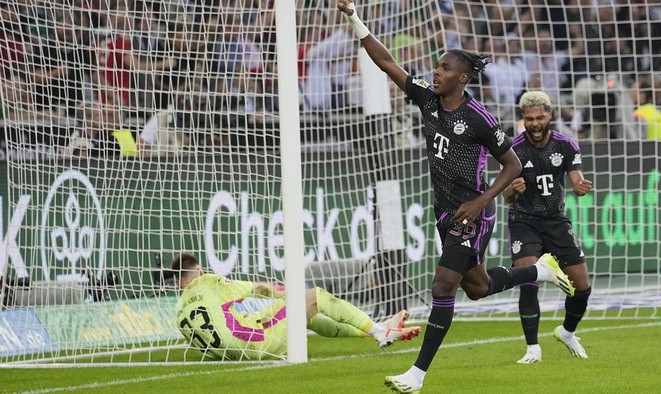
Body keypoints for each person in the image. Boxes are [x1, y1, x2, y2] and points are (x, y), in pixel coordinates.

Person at [336, 2, 575, 392]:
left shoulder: (480, 117)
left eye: (445, 68)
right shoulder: (427, 99)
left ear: (462, 78)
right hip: (444, 211)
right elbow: (385, 62)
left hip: (472, 214)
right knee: (476, 288)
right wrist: (354, 18)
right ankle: (540, 271)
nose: (436, 71)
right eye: (437, 66)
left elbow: (513, 166)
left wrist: (482, 202)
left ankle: (417, 375)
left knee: (442, 286)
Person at [170, 252, 421, 361]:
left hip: (236, 353)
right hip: (260, 344)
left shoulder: (180, 313)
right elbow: (258, 290)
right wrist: (289, 295)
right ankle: (378, 330)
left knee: (304, 315)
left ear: (179, 282)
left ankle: (376, 329)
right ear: (200, 270)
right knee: (313, 297)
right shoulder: (209, 282)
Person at [502, 91, 593, 364]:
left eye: (540, 117)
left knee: (582, 286)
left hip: (555, 220)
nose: (535, 123)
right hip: (524, 221)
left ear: (550, 115)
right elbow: (504, 192)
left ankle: (567, 332)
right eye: (529, 119)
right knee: (528, 281)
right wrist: (512, 190)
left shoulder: (566, 145)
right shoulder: (512, 148)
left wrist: (579, 186)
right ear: (523, 119)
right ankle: (532, 347)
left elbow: (577, 178)